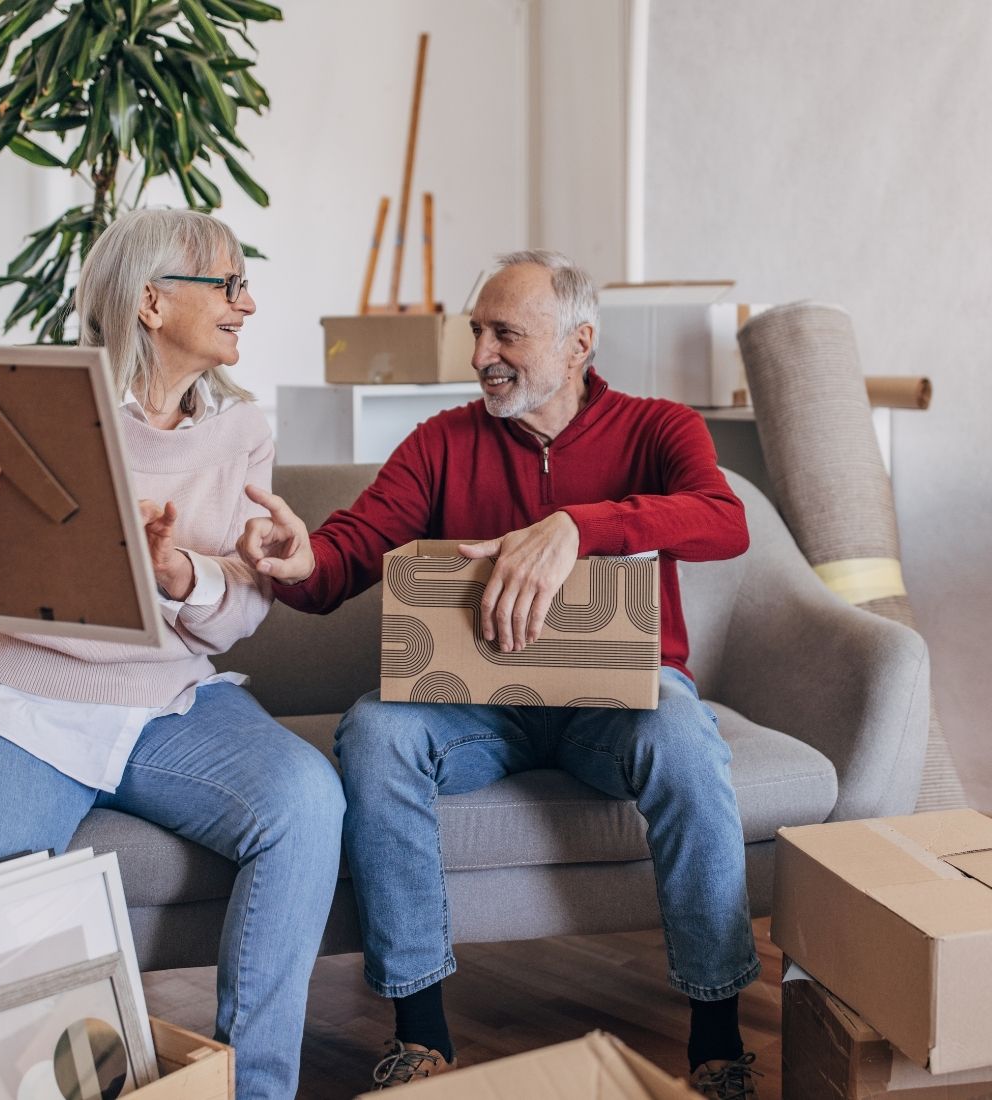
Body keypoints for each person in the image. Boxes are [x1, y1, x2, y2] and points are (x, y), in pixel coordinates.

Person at [237, 251, 759, 1097]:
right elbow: (352, 550)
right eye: (476, 331)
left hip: (617, 702)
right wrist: (302, 562)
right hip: (480, 710)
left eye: (505, 333)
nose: (480, 353)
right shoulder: (441, 443)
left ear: (578, 341)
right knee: (376, 728)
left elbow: (723, 521)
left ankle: (717, 1034)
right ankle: (420, 1033)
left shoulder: (660, 428)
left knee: (683, 734)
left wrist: (576, 527)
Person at [0, 208, 345, 1100]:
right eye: (229, 285)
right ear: (151, 302)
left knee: (304, 799)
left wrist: (179, 570)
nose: (248, 304)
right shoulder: (33, 411)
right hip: (21, 702)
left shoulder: (242, 430)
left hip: (171, 705)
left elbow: (243, 606)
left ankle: (252, 1090)